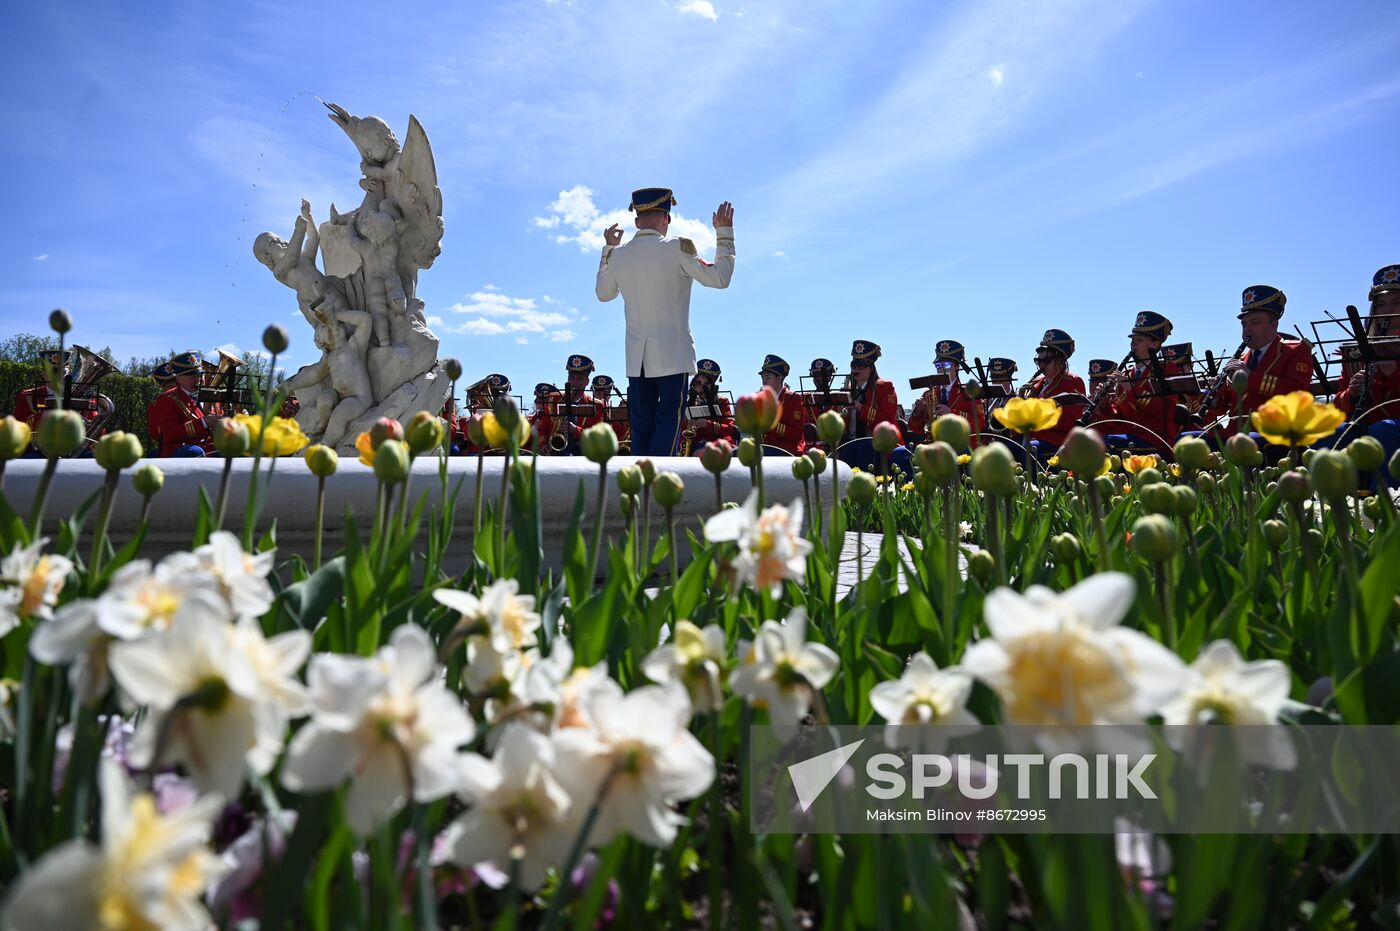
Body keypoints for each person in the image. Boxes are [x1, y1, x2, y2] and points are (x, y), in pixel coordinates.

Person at [596, 188, 736, 456]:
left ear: (637, 220)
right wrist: (724, 233)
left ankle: (639, 487)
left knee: (641, 428)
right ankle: (661, 485)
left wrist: (608, 249)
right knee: (668, 424)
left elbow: (604, 294)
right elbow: (720, 278)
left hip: (637, 359)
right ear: (667, 218)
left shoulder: (619, 255)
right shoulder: (677, 247)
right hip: (673, 354)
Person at [1198, 286, 1313, 438]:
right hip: (1235, 435)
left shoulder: (1296, 350)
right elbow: (1224, 409)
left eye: (1255, 322)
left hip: (1272, 433)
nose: (1247, 330)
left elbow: (1296, 392)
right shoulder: (1242, 359)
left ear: (1274, 325)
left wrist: (1249, 377)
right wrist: (1216, 398)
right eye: (1244, 324)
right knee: (1187, 439)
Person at [1334, 265, 1400, 485]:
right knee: (1332, 433)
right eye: (1380, 304)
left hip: (1388, 429)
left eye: (1397, 302)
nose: (1387, 310)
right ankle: (1330, 508)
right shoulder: (1358, 349)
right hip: (1367, 425)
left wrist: (1393, 375)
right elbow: (1338, 404)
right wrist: (1351, 394)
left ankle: (1386, 504)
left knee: (1383, 431)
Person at [1099, 311, 1184, 454]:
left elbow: (1165, 409)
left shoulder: (1166, 368)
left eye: (1139, 340)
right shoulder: (1127, 373)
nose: (1133, 345)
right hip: (1131, 437)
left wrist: (1131, 388)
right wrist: (1102, 404)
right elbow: (1120, 418)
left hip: (1156, 439)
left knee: (1102, 443)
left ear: (1155, 343)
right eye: (1132, 340)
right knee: (1092, 439)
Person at [1022, 329, 1086, 456]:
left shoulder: (1073, 381)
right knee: (1002, 446)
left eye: (1046, 361)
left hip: (1057, 441)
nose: (1041, 366)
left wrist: (1036, 407)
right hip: (1031, 438)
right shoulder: (1036, 383)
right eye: (1039, 361)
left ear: (1061, 360)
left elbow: (1069, 422)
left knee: (1028, 450)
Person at [532, 355, 604, 455]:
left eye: (579, 378)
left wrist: (576, 430)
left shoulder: (597, 406)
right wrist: (543, 444)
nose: (574, 382)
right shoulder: (553, 400)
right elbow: (542, 428)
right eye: (571, 377)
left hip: (584, 456)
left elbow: (598, 437)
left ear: (587, 382)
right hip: (554, 454)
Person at [147, 351, 215, 457]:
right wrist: (203, 422)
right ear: (178, 378)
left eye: (200, 374)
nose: (198, 379)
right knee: (194, 452)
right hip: (182, 450)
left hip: (210, 447)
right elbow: (170, 434)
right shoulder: (166, 399)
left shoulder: (213, 397)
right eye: (192, 376)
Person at [683, 358, 736, 452]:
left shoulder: (722, 401)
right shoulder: (688, 404)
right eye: (698, 383)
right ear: (693, 384)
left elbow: (730, 428)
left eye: (706, 384)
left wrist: (707, 424)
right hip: (696, 447)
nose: (701, 387)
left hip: (721, 446)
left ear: (712, 386)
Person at [757, 355, 807, 455]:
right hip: (766, 450)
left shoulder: (793, 398)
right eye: (763, 378)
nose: (763, 381)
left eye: (768, 377)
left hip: (788, 452)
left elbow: (796, 433)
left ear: (779, 378)